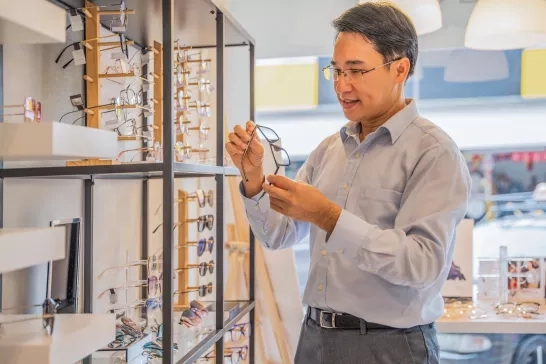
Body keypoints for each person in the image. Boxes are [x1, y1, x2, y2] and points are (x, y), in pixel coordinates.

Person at [225, 2, 471, 363]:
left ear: (399, 68)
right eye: (336, 71)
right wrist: (253, 177)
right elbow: (276, 235)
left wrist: (329, 217)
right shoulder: (329, 149)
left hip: (388, 346)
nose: (342, 86)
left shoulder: (435, 153)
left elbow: (422, 264)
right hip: (314, 338)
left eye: (356, 71)